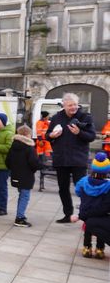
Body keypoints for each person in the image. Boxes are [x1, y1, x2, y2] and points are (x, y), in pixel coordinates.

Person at [45, 93, 96, 223]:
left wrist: (79, 133)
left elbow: (91, 136)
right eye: (70, 105)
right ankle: (68, 214)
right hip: (61, 158)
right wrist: (52, 135)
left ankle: (85, 214)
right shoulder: (57, 117)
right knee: (63, 188)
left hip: (78, 159)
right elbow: (47, 136)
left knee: (83, 188)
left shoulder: (85, 117)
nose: (73, 107)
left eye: (75, 104)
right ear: (64, 106)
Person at [72, 152, 110, 259]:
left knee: (87, 229)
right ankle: (99, 249)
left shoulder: (83, 181)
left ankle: (87, 248)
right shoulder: (108, 185)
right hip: (100, 212)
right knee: (100, 230)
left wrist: (84, 197)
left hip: (85, 209)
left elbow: (77, 190)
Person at [5, 125, 41, 228]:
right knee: (24, 196)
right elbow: (34, 163)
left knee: (22, 195)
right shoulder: (29, 148)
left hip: (16, 175)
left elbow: (7, 162)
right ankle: (20, 218)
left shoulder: (14, 146)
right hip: (26, 176)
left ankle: (20, 216)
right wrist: (37, 168)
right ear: (27, 134)